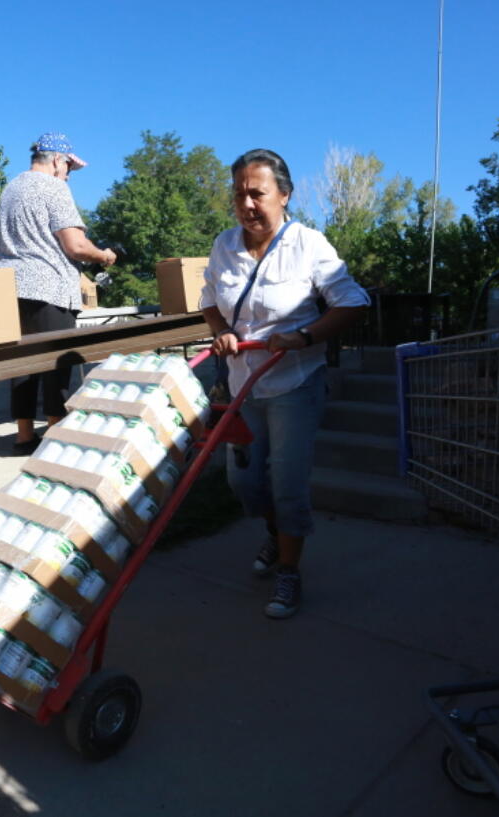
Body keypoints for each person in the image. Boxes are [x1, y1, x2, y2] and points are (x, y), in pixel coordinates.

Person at [200, 148, 370, 619]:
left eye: (258, 193)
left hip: (295, 383)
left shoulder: (310, 245)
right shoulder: (223, 245)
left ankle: (290, 571)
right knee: (244, 482)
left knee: (288, 484)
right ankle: (277, 535)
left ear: (284, 195)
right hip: (242, 386)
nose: (247, 204)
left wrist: (303, 336)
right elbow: (210, 301)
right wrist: (223, 333)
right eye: (239, 195)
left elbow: (353, 303)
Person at [0, 133, 116, 455]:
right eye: (70, 168)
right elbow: (75, 246)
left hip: (8, 287)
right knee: (55, 364)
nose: (69, 174)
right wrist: (103, 255)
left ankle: (23, 437)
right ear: (59, 160)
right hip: (48, 287)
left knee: (22, 364)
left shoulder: (11, 188)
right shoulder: (54, 187)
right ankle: (54, 436)